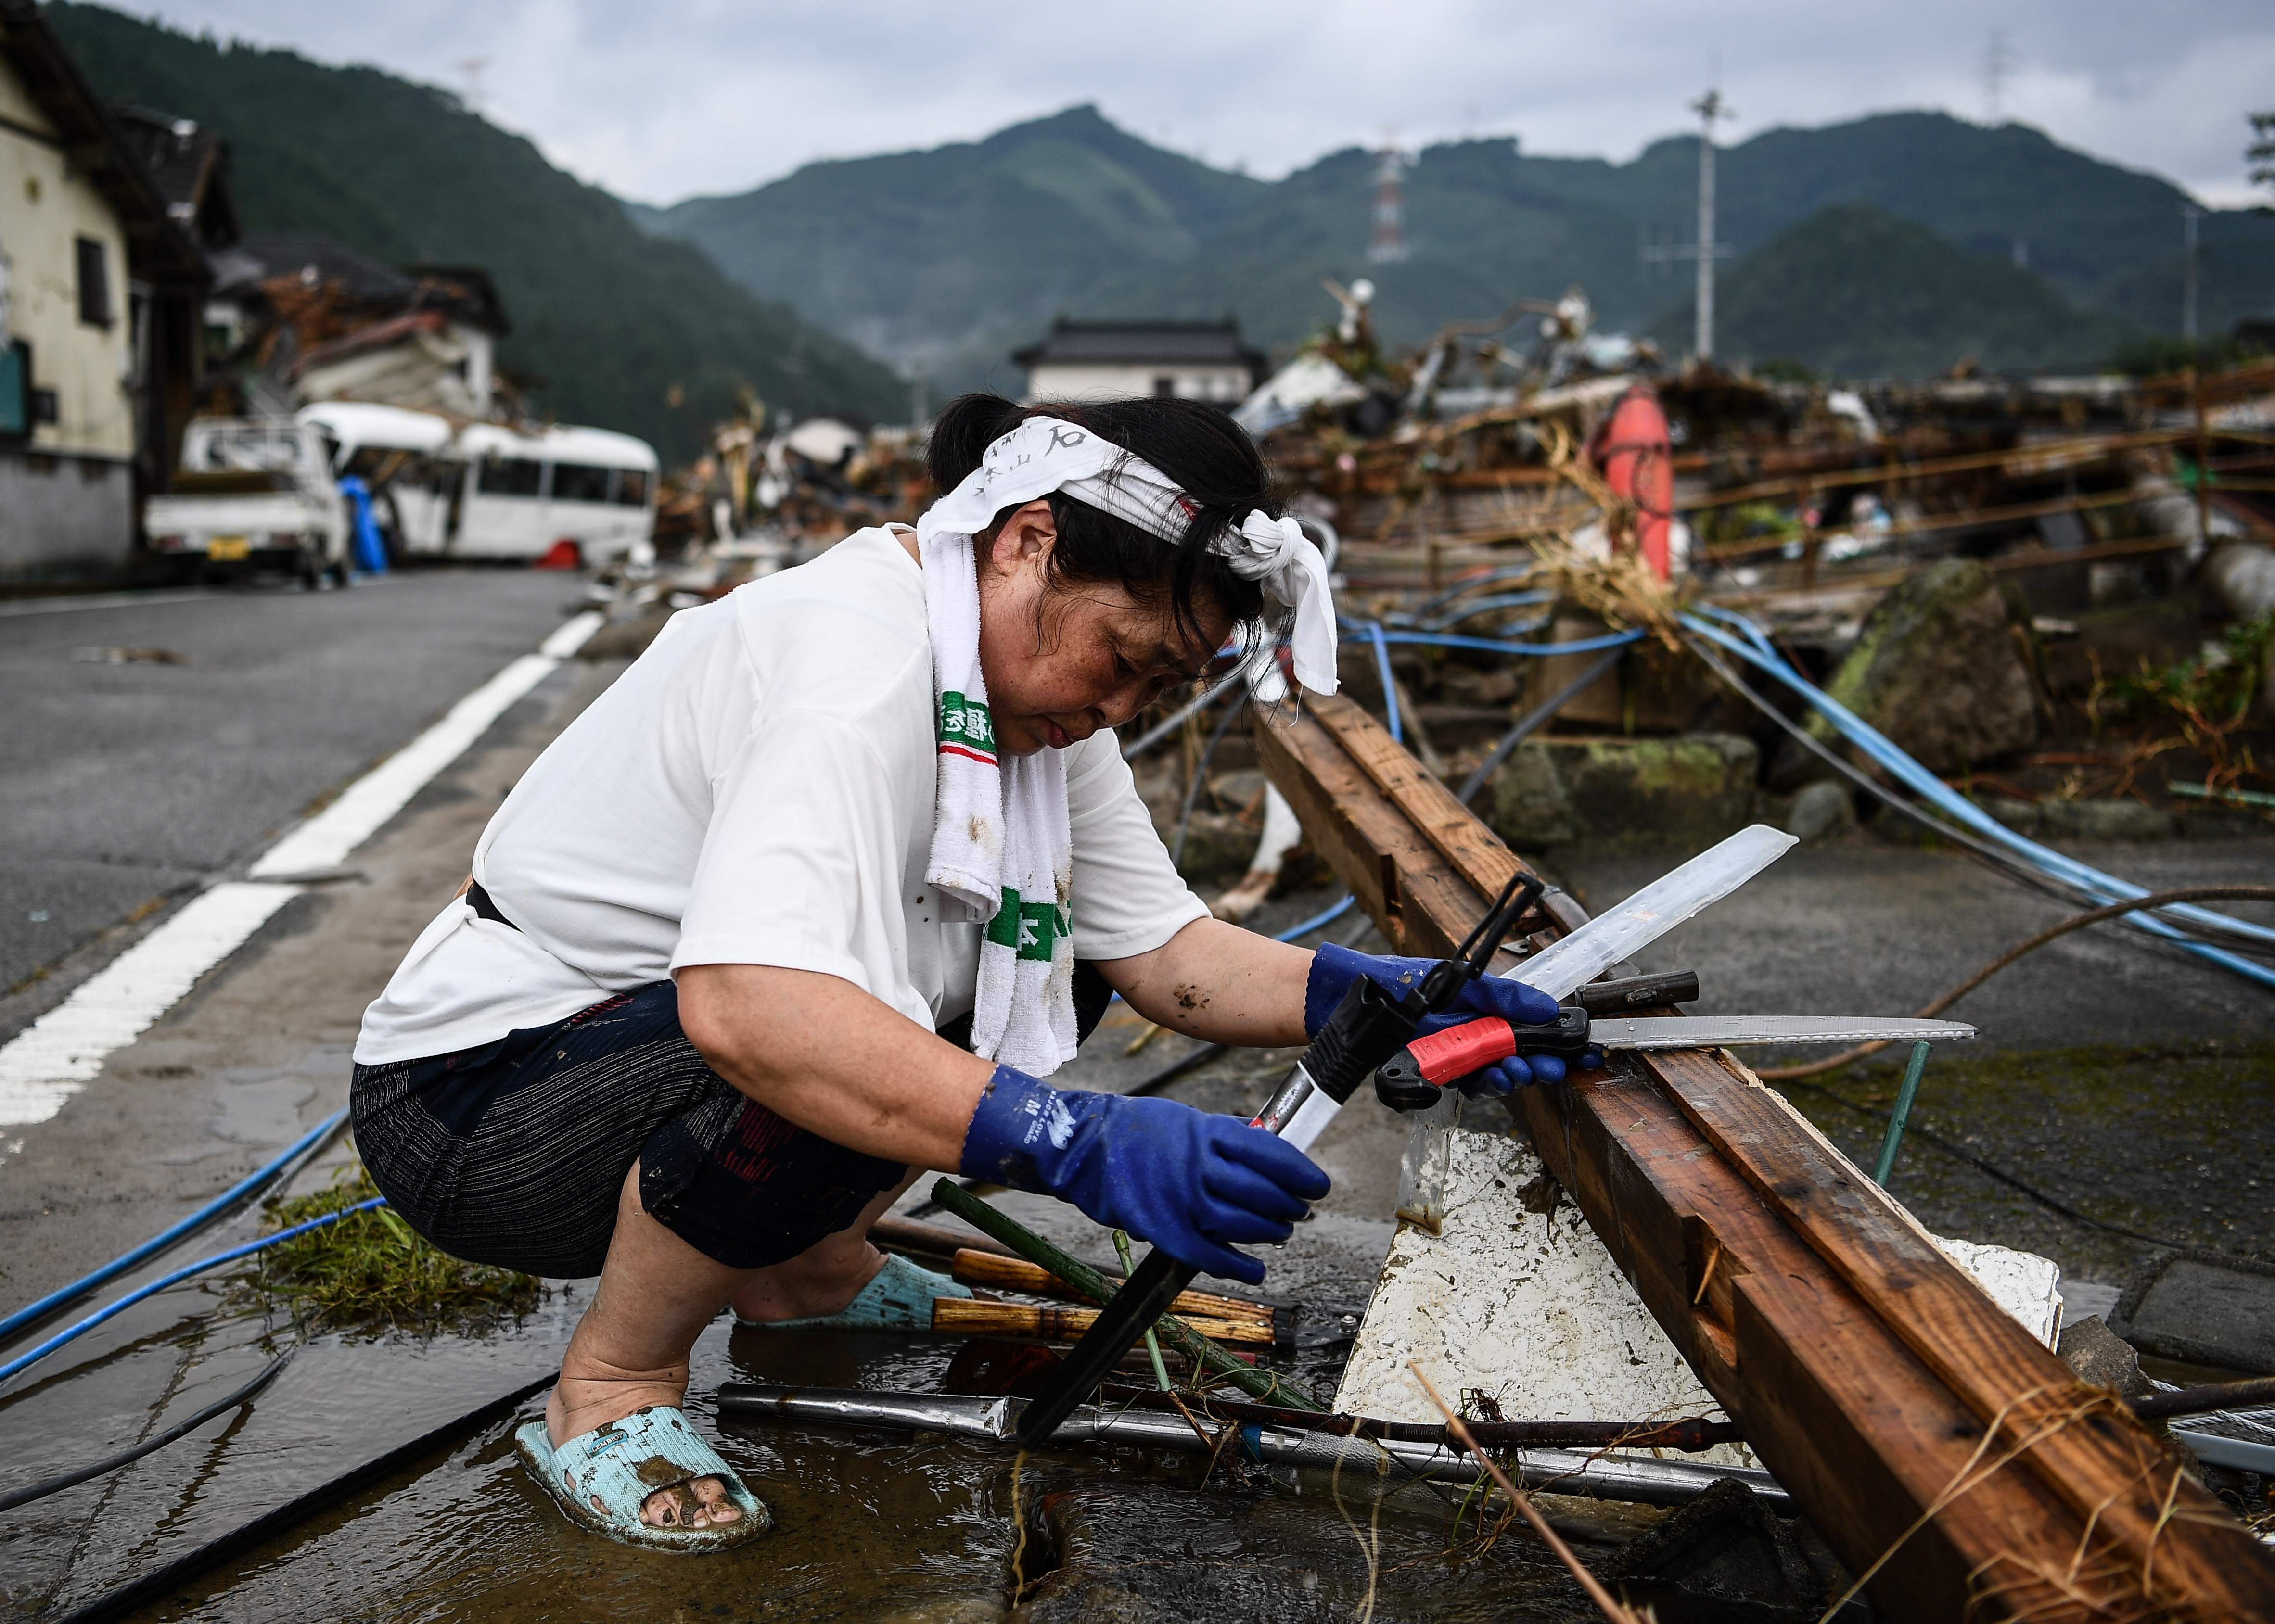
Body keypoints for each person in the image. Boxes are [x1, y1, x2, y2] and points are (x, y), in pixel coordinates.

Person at [348, 395, 1583, 1551]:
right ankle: (611, 1382)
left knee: (1049, 960)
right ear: (1028, 543)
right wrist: (1079, 1140)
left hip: (631, 1059)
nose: (1121, 707)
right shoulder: (859, 663)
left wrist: (1384, 995)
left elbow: (1161, 951)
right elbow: (748, 1009)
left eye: (1162, 686)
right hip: (476, 1102)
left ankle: (805, 1271)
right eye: (1127, 656)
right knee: (822, 1032)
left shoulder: (1020, 699)